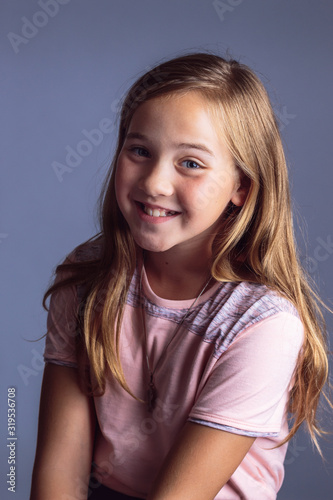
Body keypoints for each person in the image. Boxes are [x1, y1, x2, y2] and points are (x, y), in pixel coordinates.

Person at [30, 53, 331, 500]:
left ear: (240, 187)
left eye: (190, 163)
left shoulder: (264, 326)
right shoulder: (86, 280)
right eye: (140, 151)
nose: (154, 182)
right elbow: (59, 471)